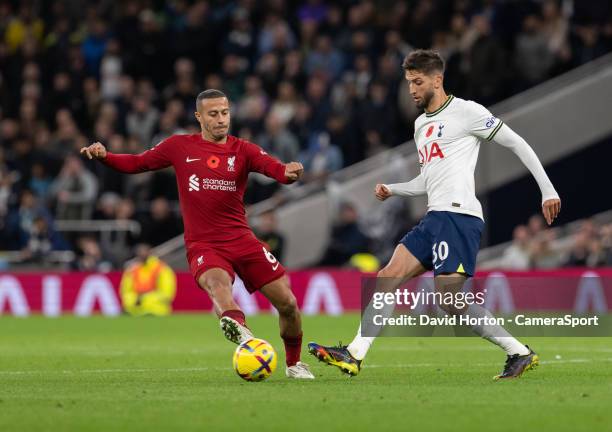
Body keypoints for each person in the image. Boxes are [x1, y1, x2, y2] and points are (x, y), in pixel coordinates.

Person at [308, 49, 561, 380]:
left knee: (450, 300)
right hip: (434, 217)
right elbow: (428, 179)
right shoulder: (420, 125)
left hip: (459, 217)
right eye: (408, 82)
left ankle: (519, 352)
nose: (411, 89)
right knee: (388, 275)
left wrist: (548, 189)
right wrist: (395, 188)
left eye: (417, 82)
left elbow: (517, 143)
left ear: (437, 79)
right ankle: (354, 354)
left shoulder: (466, 112)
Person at [80, 89, 314, 379]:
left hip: (242, 240)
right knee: (219, 287)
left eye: (225, 113)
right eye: (213, 114)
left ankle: (294, 364)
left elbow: (275, 170)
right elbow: (138, 163)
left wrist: (289, 172)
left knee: (288, 304)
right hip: (204, 244)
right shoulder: (179, 146)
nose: (221, 119)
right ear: (199, 117)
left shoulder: (243, 150)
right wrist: (106, 157)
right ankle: (247, 341)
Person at [120, 244, 177, 317]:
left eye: (144, 252)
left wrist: (144, 299)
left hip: (157, 311)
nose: (142, 254)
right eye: (140, 253)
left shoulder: (161, 269)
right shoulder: (132, 270)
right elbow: (125, 291)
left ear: (150, 252)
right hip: (134, 311)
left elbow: (167, 294)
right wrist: (135, 299)